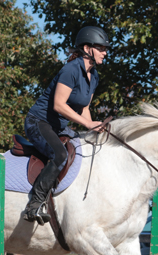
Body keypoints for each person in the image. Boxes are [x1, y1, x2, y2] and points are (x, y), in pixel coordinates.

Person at [22, 26, 110, 225]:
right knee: (60, 155)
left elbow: (84, 108)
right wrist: (86, 122)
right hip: (39, 122)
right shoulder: (70, 70)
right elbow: (59, 105)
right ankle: (34, 205)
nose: (105, 53)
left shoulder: (93, 76)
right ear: (88, 49)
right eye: (102, 48)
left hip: (59, 127)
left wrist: (92, 128)